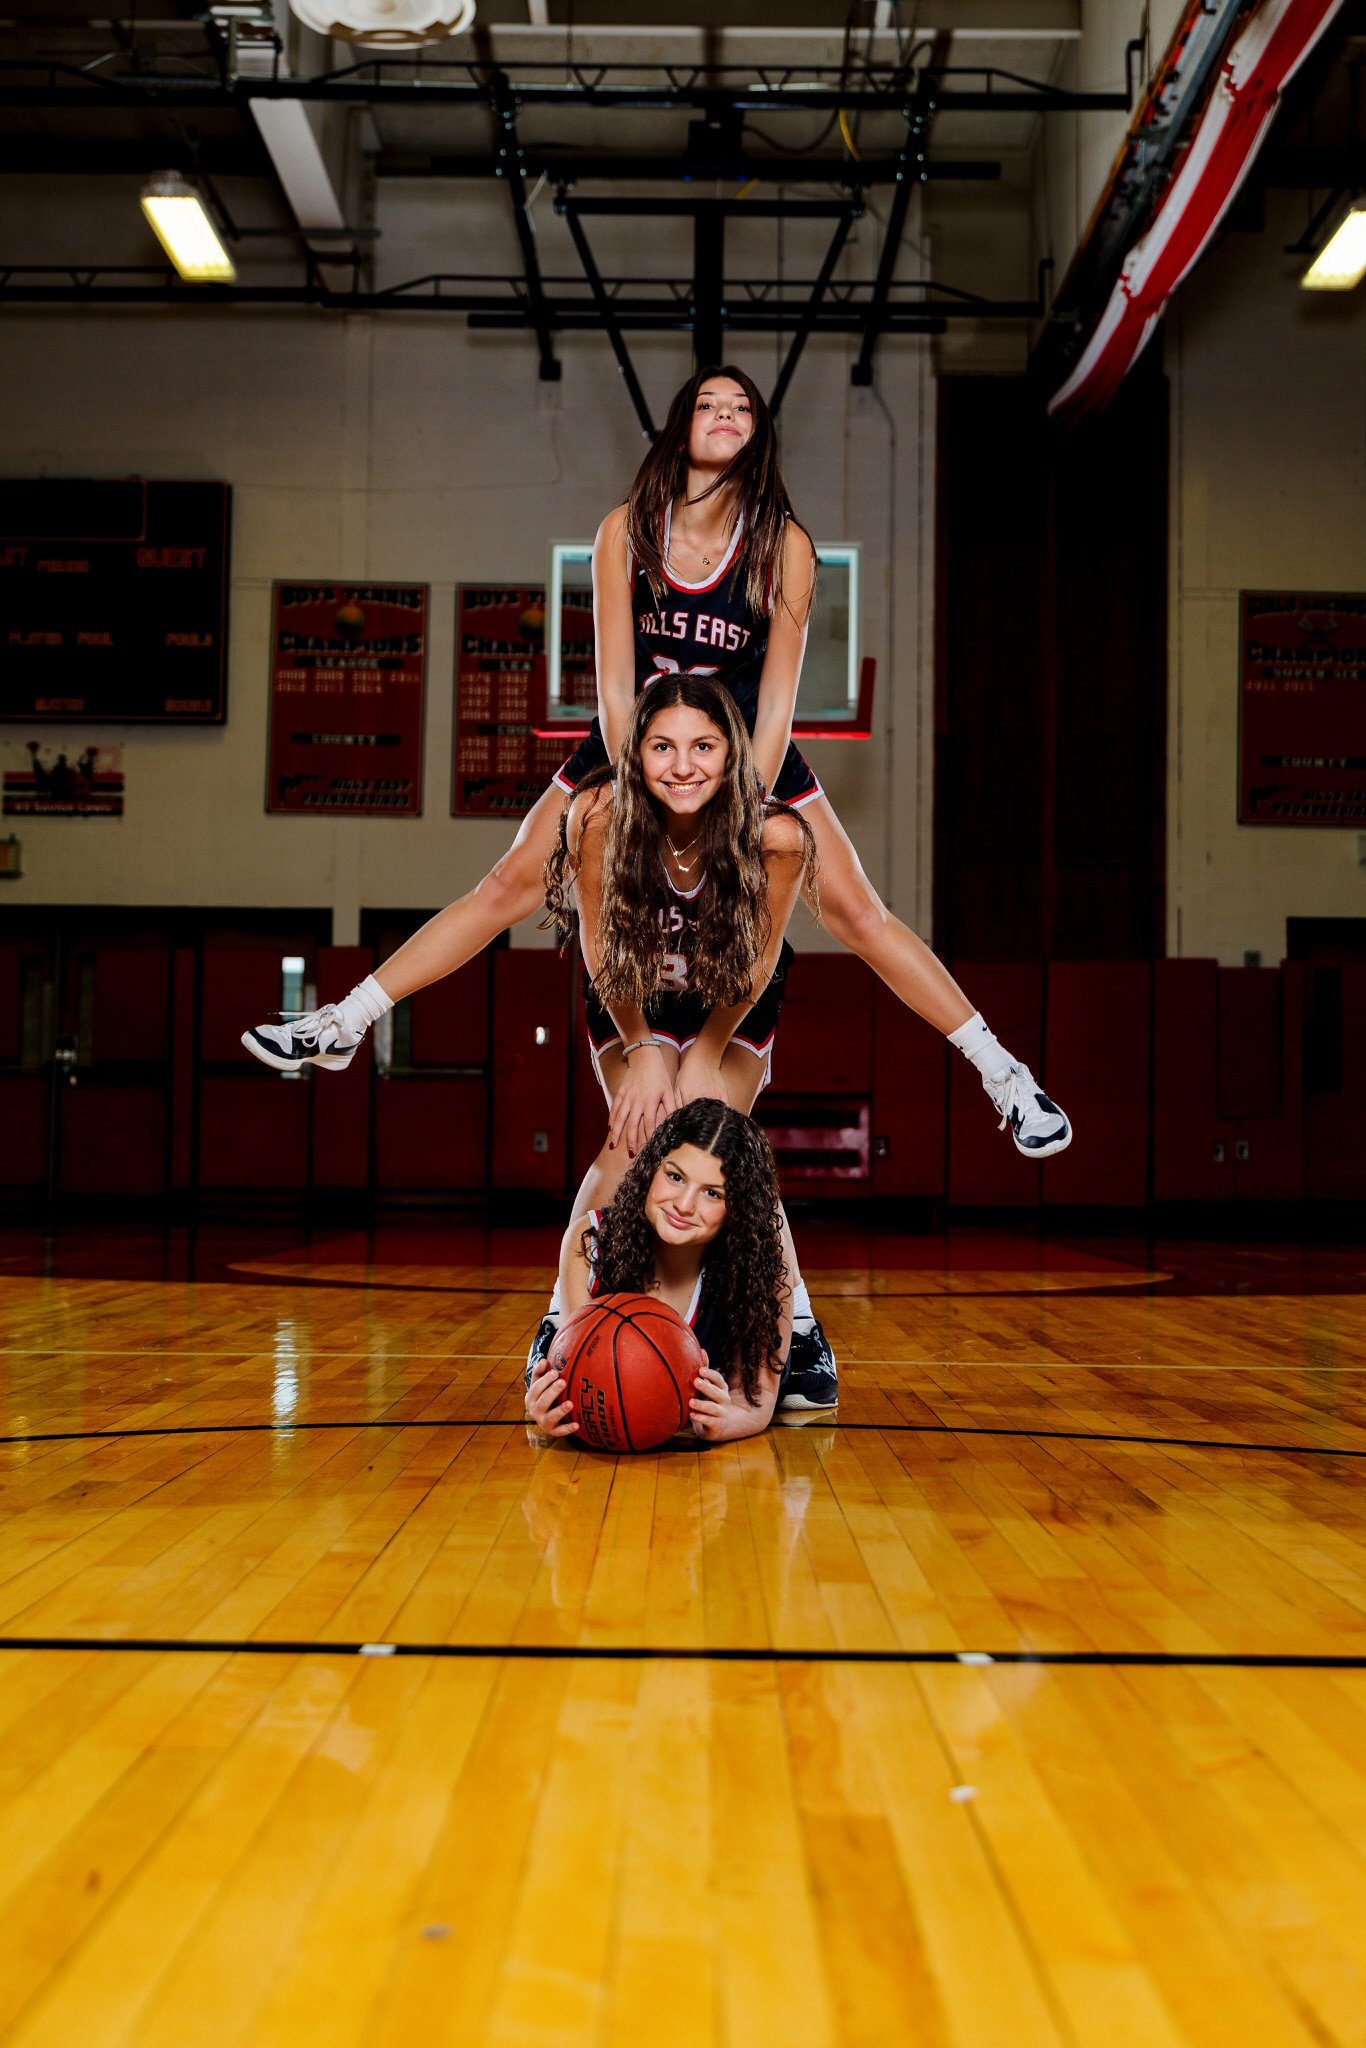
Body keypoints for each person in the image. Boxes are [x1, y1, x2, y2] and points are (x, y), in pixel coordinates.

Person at [243, 364, 1070, 1159]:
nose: (725, 414)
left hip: (746, 756)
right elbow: (610, 685)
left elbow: (778, 698)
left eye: (742, 408)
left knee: (860, 914)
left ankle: (1007, 1078)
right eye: (709, 402)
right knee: (504, 886)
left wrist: (738, 796)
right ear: (681, 426)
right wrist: (643, 776)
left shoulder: (783, 545)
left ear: (758, 436)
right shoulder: (626, 529)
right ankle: (343, 1024)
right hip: (635, 749)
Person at [541, 671, 836, 1410]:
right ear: (634, 753)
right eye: (662, 745)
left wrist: (702, 1053)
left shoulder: (777, 839)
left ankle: (796, 1330)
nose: (682, 765)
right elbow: (604, 956)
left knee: (718, 1138)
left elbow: (754, 971)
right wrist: (643, 1049)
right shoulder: (599, 817)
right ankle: (559, 1328)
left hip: (727, 1008)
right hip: (631, 996)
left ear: (731, 755)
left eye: (703, 746)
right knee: (633, 1136)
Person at [525, 1100, 797, 1444]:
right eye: (675, 1176)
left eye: (712, 1193)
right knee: (544, 1367)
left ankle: (803, 1327)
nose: (684, 1205)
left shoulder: (762, 1274)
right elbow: (578, 1381)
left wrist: (729, 1420)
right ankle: (552, 1322)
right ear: (651, 1168)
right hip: (581, 1316)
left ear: (736, 1209)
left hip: (742, 1341)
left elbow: (756, 1403)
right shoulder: (589, 1242)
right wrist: (554, 1410)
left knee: (796, 1376)